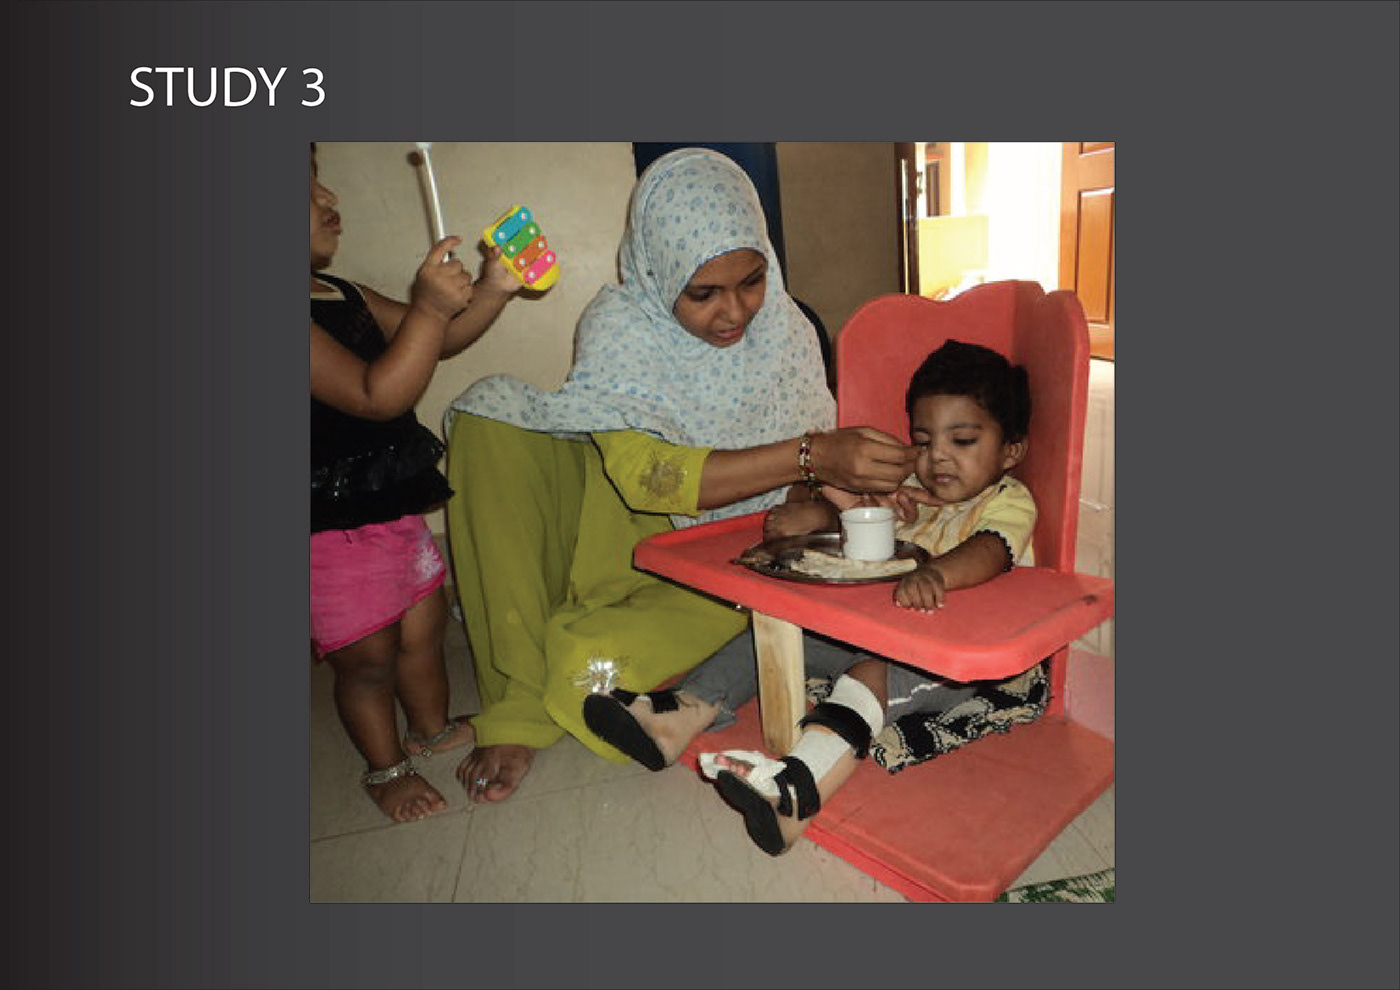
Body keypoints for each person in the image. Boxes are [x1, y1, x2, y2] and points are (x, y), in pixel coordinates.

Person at [444, 148, 916, 803]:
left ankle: (596, 662)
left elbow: (802, 486)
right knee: (489, 414)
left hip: (727, 557)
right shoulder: (622, 326)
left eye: (752, 280)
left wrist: (847, 488)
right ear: (657, 271)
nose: (735, 312)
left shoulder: (787, 328)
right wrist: (811, 455)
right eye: (703, 293)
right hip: (613, 531)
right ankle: (517, 700)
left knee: (583, 669)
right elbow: (650, 478)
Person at [588, 338, 1038, 856]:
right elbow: (860, 530)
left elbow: (991, 551)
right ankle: (678, 713)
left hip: (954, 660)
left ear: (1011, 450)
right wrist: (825, 513)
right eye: (922, 440)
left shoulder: (1008, 500)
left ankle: (797, 792)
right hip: (877, 632)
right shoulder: (914, 490)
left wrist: (936, 573)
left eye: (962, 440)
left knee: (868, 675)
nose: (937, 456)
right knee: (774, 633)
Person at [309, 144, 521, 823]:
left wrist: (492, 289)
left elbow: (439, 341)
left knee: (423, 626)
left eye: (319, 183)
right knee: (367, 659)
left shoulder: (342, 293)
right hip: (324, 526)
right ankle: (385, 768)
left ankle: (429, 728)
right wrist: (428, 309)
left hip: (390, 502)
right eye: (305, 191)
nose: (327, 200)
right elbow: (375, 395)